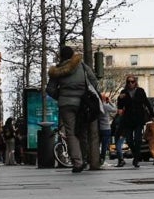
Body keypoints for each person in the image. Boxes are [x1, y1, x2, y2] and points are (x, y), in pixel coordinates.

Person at [45, 45, 98, 173]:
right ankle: (84, 159)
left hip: (66, 104)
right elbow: (94, 82)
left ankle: (77, 162)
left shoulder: (57, 70)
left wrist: (61, 96)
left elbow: (50, 89)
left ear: (61, 56)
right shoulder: (83, 66)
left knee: (71, 133)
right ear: (72, 54)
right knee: (83, 131)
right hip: (83, 103)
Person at [117, 75, 153, 168]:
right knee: (129, 140)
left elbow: (146, 102)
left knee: (138, 139)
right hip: (128, 119)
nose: (130, 83)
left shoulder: (140, 91)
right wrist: (120, 98)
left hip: (138, 119)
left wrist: (152, 115)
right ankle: (136, 154)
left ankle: (136, 159)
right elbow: (120, 106)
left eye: (132, 81)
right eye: (128, 82)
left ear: (135, 82)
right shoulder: (124, 92)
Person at [98, 93, 115, 163]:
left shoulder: (97, 106)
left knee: (97, 144)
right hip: (106, 128)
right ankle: (102, 159)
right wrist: (110, 102)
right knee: (104, 146)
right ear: (104, 99)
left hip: (99, 128)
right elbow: (115, 109)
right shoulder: (106, 106)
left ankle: (97, 158)